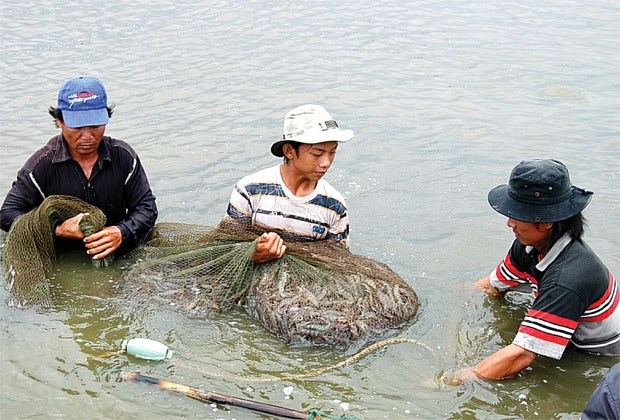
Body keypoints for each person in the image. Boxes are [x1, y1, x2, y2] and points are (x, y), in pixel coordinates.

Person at [455, 159, 619, 383]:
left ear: (547, 222)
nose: (509, 223)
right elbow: (491, 287)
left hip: (597, 356)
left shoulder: (567, 278)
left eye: (517, 215)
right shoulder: (528, 246)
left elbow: (522, 355)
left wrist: (455, 379)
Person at [0, 76, 157, 260]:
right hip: (61, 255)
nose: (87, 136)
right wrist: (58, 230)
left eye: (95, 126)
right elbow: (7, 215)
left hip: (116, 251)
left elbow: (147, 208)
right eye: (78, 127)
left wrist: (121, 232)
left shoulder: (123, 156)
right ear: (60, 121)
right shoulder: (41, 165)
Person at [226, 104, 354, 263]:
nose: (326, 162)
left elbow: (339, 262)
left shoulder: (334, 206)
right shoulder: (250, 190)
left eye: (332, 152)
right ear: (289, 151)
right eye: (317, 153)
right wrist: (253, 254)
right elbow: (225, 248)